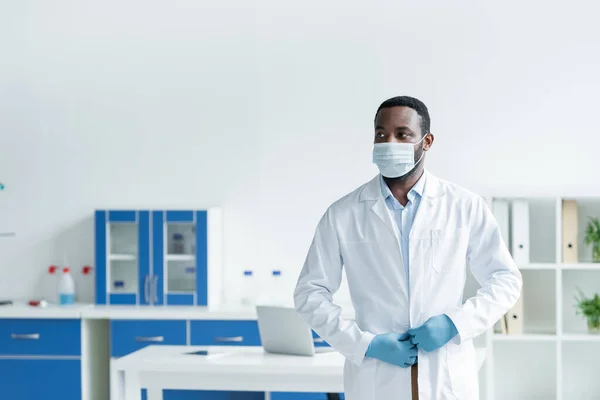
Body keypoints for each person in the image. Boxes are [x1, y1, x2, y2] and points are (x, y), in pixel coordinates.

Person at [293, 96, 522, 400]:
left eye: (402, 134)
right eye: (381, 134)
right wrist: (365, 344)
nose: (389, 142)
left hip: (445, 375)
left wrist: (455, 324)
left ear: (426, 141)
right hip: (376, 377)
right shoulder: (343, 214)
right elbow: (310, 293)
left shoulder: (463, 206)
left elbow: (506, 280)